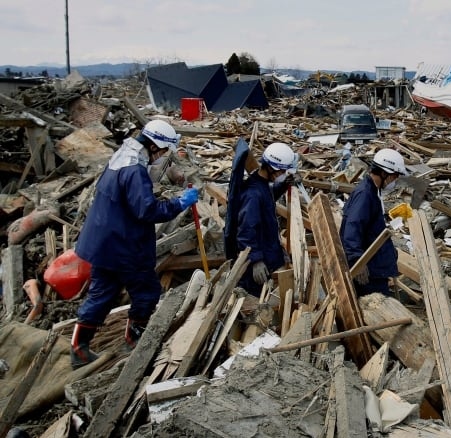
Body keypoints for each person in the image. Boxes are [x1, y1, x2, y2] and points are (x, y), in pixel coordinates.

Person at [72, 120, 199, 369]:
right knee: (146, 291)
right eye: (163, 151)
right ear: (154, 146)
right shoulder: (134, 170)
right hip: (124, 245)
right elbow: (146, 211)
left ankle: (79, 348)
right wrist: (179, 203)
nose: (162, 156)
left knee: (102, 293)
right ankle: (135, 340)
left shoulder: (123, 156)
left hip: (103, 242)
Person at [224, 142, 297, 297]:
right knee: (256, 298)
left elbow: (267, 200)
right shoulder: (252, 195)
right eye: (283, 171)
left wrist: (283, 185)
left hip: (268, 251)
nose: (284, 173)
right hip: (256, 265)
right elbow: (246, 230)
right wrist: (255, 260)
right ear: (272, 168)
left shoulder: (261, 184)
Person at [340, 148, 407, 296]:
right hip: (369, 271)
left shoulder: (372, 191)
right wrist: (357, 260)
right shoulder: (365, 194)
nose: (394, 181)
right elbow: (353, 227)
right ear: (384, 173)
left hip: (374, 267)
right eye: (394, 176)